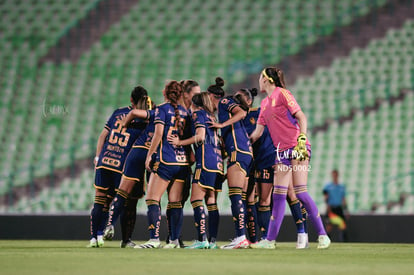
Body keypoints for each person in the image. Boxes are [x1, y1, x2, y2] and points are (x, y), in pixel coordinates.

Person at [250, 67, 330, 249]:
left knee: (300, 192)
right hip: (281, 153)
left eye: (260, 77)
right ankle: (269, 241)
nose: (258, 80)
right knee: (278, 197)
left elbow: (301, 117)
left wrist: (302, 138)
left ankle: (323, 235)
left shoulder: (283, 94)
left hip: (297, 148)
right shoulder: (264, 104)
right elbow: (257, 133)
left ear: (267, 80)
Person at [238, 88, 308, 248]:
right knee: (267, 200)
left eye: (239, 99)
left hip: (276, 157)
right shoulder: (243, 117)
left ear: (249, 101)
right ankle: (268, 238)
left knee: (288, 194)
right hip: (265, 160)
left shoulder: (258, 113)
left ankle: (301, 234)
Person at [88, 86, 149, 248]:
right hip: (123, 164)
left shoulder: (117, 113)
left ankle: (95, 237)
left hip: (105, 160)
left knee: (100, 200)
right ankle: (125, 239)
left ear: (131, 100)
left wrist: (97, 157)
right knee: (127, 202)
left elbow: (103, 136)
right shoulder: (144, 119)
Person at [136, 80, 192, 249]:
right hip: (182, 163)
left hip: (166, 161)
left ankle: (154, 239)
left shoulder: (161, 109)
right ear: (181, 94)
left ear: (165, 93)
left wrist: (150, 155)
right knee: (175, 203)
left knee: (152, 199)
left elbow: (159, 133)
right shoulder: (185, 112)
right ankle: (174, 240)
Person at [168, 92, 224, 249]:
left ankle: (202, 239)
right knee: (211, 201)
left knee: (196, 199)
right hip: (217, 162)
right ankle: (212, 241)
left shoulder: (198, 114)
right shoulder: (211, 117)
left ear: (194, 105)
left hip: (206, 161)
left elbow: (200, 136)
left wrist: (180, 142)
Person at [103, 97, 155, 248]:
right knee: (134, 199)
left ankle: (112, 227)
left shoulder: (139, 119)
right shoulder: (159, 115)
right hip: (147, 156)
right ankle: (128, 238)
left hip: (134, 157)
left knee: (124, 195)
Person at [208, 77, 253, 249]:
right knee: (240, 196)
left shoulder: (225, 101)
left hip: (239, 151)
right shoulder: (224, 108)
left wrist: (221, 125)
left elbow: (242, 113)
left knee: (235, 196)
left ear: (213, 96)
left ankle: (240, 237)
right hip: (246, 153)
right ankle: (242, 237)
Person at [165, 80, 200, 247]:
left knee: (177, 201)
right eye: (195, 93)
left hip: (178, 161)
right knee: (177, 200)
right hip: (177, 162)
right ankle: (173, 237)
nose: (198, 96)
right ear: (186, 94)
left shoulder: (184, 112)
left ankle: (172, 236)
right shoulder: (184, 113)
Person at [323, 169, 349, 242]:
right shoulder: (328, 187)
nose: (334, 176)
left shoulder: (341, 187)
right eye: (333, 174)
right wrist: (327, 206)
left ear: (337, 175)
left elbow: (343, 199)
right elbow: (325, 198)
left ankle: (344, 242)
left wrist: (346, 210)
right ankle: (327, 242)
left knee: (342, 226)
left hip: (339, 208)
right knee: (329, 226)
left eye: (335, 174)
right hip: (331, 209)